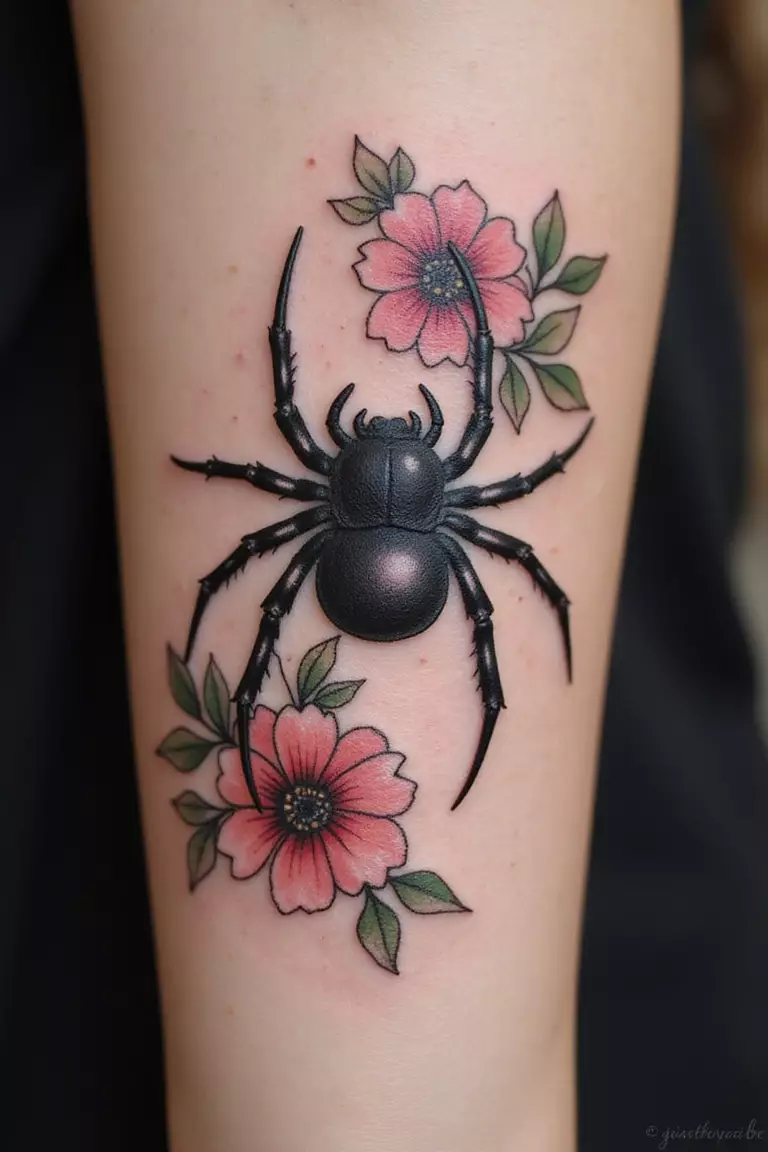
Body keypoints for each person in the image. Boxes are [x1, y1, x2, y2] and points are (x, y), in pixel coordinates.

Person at [2, 2, 765, 1150]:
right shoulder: (451, 481)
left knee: (277, 582)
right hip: (663, 959)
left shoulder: (333, 471)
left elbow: (390, 1113)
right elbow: (499, 520)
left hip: (469, 1046)